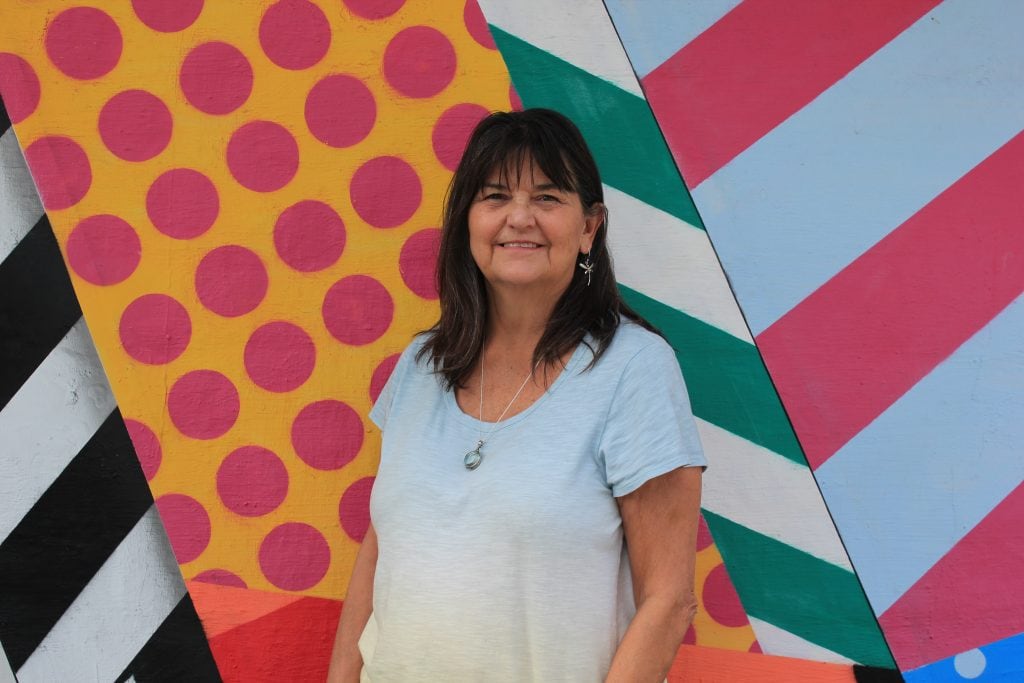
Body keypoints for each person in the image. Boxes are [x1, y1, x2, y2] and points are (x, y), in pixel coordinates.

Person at [327, 108, 705, 682]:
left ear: (589, 227)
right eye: (495, 196)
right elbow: (381, 552)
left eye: (548, 198)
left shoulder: (634, 370)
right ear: (468, 222)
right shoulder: (421, 366)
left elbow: (669, 600)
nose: (519, 218)